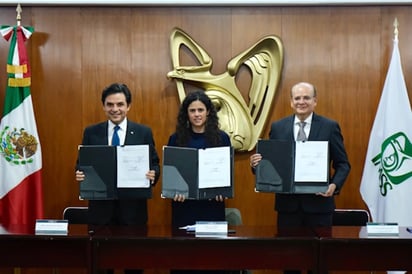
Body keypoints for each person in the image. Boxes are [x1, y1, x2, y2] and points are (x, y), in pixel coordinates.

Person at [250, 82, 350, 273]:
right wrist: (256, 165)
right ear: (291, 102)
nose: (301, 102)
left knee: (319, 264)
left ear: (315, 101)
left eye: (306, 98)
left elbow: (343, 164)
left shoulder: (329, 127)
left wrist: (334, 185)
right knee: (290, 263)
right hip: (288, 209)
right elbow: (272, 164)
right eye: (297, 98)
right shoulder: (278, 127)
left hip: (319, 207)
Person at [75, 83, 160, 274]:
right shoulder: (91, 132)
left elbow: (154, 163)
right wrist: (80, 172)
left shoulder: (143, 132)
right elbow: (82, 163)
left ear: (128, 106)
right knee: (102, 265)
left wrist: (153, 174)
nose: (115, 109)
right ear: (103, 106)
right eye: (110, 105)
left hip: (133, 212)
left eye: (120, 104)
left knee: (134, 264)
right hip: (101, 213)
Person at [167, 90, 233, 274]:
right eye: (192, 110)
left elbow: (226, 174)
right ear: (186, 114)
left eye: (200, 110)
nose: (197, 114)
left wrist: (223, 190)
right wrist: (174, 191)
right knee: (184, 260)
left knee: (212, 259)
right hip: (184, 207)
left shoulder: (222, 138)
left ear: (208, 112)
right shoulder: (176, 139)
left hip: (212, 206)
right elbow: (172, 173)